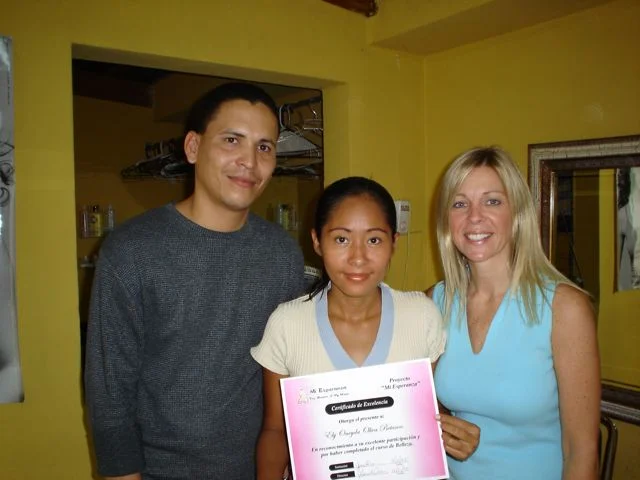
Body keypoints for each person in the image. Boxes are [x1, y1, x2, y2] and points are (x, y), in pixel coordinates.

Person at [84, 82, 306, 479]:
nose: (249, 162)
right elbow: (109, 393)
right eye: (232, 140)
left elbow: (293, 369)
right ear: (192, 147)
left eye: (264, 147)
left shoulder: (282, 255)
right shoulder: (132, 251)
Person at [251, 176, 480, 480]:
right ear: (317, 241)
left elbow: (429, 409)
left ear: (393, 243)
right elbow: (275, 429)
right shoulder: (287, 324)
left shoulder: (421, 315)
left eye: (374, 240)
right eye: (341, 239)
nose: (358, 258)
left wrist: (456, 433)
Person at [428, 146, 601, 479]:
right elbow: (413, 403)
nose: (474, 217)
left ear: (518, 213)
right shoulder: (434, 303)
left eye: (492, 201)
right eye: (459, 203)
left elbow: (582, 452)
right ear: (447, 220)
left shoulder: (565, 309)